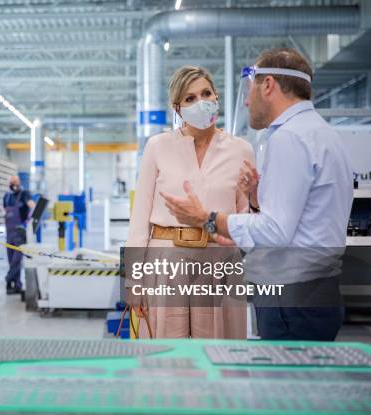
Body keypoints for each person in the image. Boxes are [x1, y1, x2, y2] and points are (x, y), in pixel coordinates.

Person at [161, 48, 353, 341]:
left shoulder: (289, 138)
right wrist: (255, 200)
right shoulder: (322, 133)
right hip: (316, 292)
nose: (248, 101)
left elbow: (276, 231)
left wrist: (207, 219)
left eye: (251, 90)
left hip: (291, 299)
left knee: (285, 383)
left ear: (268, 85)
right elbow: (298, 217)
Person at [126, 65, 254, 339]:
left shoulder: (240, 149)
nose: (200, 102)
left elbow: (249, 217)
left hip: (218, 264)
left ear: (216, 97)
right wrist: (134, 279)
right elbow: (139, 220)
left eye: (206, 93)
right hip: (165, 262)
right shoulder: (157, 147)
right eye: (190, 98)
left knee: (218, 349)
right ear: (177, 107)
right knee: (166, 357)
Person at [3, 175, 35, 294]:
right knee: (11, 260)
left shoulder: (25, 194)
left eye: (15, 182)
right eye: (11, 182)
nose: (14, 184)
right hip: (9, 233)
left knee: (17, 259)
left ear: (19, 182)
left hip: (20, 233)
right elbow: (5, 211)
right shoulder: (6, 196)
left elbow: (33, 207)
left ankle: (7, 279)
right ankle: (16, 285)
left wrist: (27, 223)